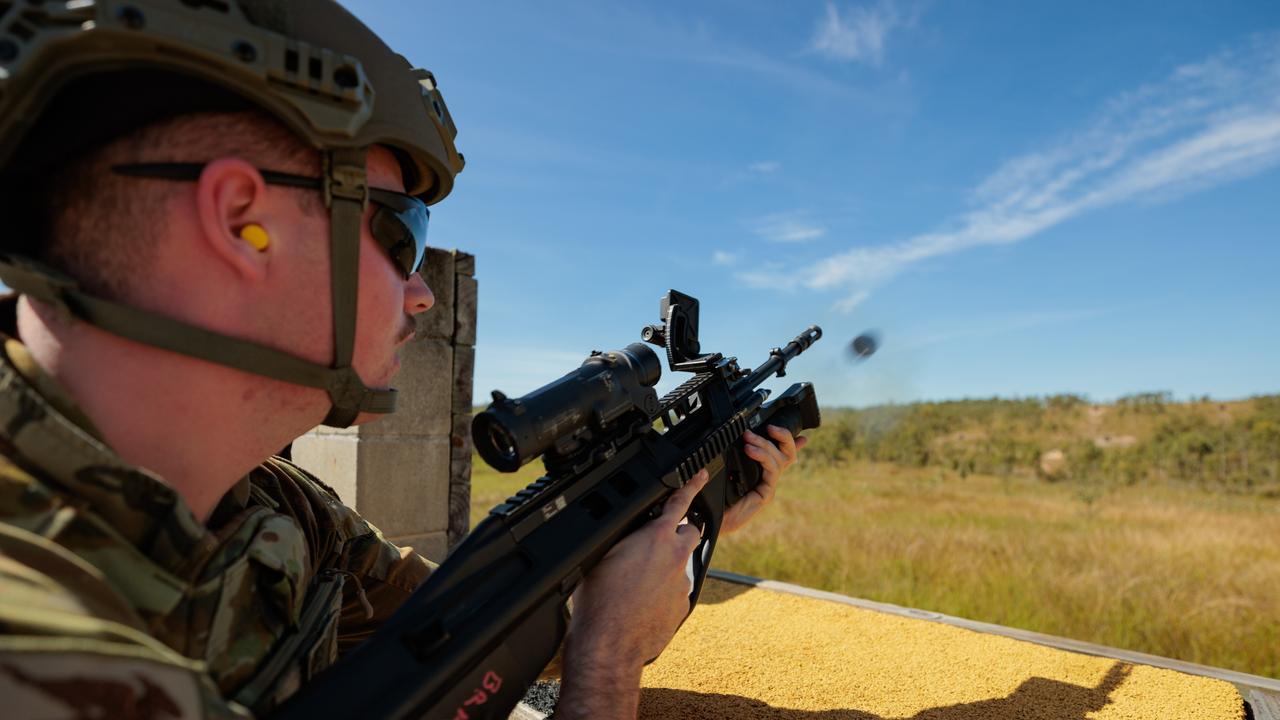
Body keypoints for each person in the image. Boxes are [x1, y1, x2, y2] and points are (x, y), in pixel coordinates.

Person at [0, 2, 805, 718]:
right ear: (244, 222)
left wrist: (682, 523)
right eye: (399, 235)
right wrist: (607, 665)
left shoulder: (265, 502)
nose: (421, 294)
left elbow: (484, 625)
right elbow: (585, 646)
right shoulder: (48, 658)